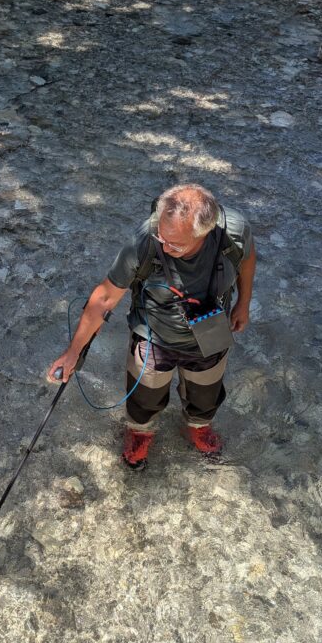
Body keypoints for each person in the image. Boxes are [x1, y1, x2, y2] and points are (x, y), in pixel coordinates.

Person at [48, 184, 256, 468]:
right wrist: (73, 352)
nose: (164, 247)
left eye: (175, 245)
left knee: (206, 397)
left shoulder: (234, 231)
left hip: (210, 333)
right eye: (161, 236)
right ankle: (140, 431)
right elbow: (104, 298)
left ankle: (198, 426)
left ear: (204, 233)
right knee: (143, 401)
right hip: (153, 337)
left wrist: (244, 302)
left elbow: (247, 257)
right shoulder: (145, 241)